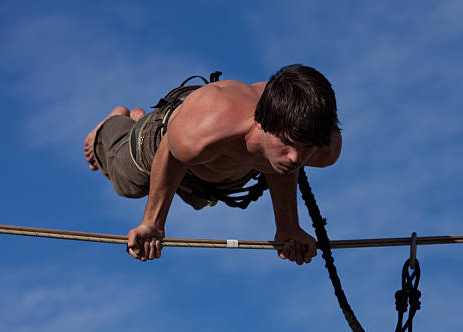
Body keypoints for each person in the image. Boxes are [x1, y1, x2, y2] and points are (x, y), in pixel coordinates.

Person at [83, 64, 342, 265]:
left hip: (218, 173)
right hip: (165, 139)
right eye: (287, 142)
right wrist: (153, 223)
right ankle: (115, 124)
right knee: (127, 184)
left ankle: (136, 119)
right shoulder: (206, 130)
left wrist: (288, 227)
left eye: (306, 146)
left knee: (284, 158)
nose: (297, 157)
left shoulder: (323, 146)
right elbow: (170, 153)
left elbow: (281, 164)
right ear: (263, 123)